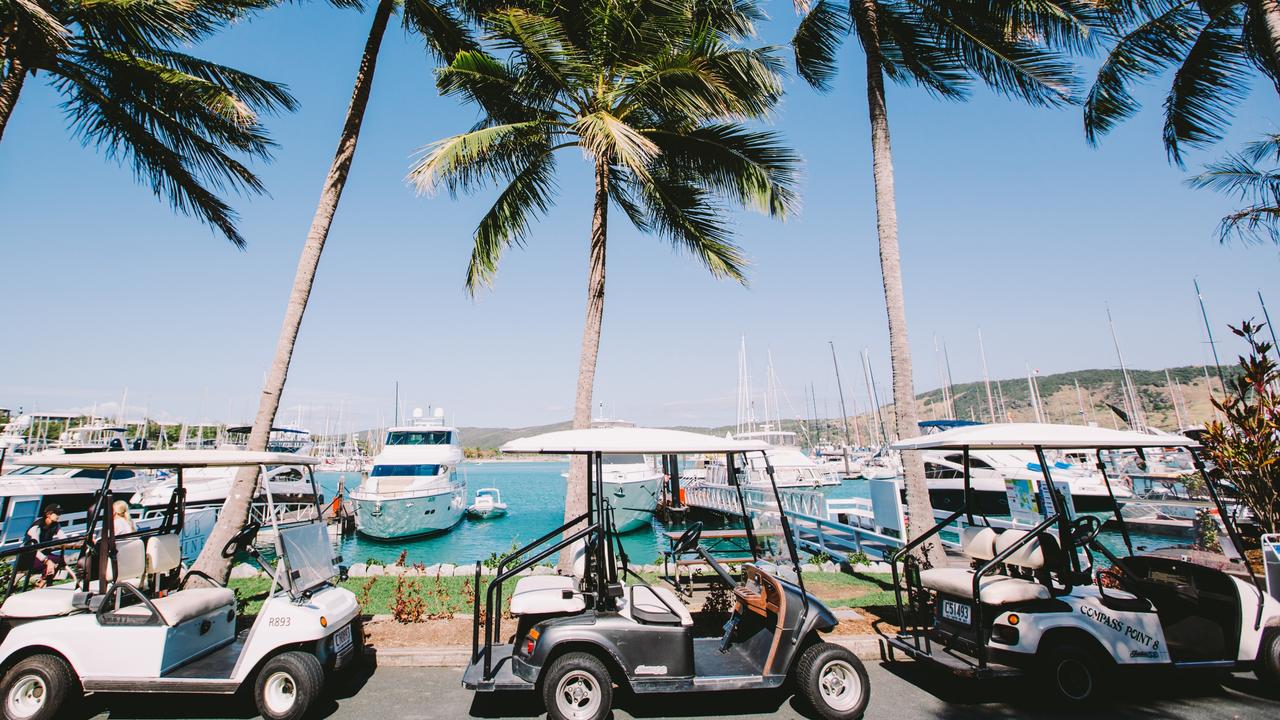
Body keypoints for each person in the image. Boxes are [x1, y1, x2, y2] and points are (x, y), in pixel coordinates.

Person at [25, 503, 68, 588]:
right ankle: (40, 583)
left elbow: (64, 539)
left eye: (60, 513)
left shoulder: (56, 525)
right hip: (29, 556)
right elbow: (34, 549)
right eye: (56, 513)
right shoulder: (36, 527)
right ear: (48, 514)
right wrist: (47, 561)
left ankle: (43, 583)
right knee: (55, 561)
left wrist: (82, 541)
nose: (59, 515)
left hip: (43, 555)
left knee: (59, 560)